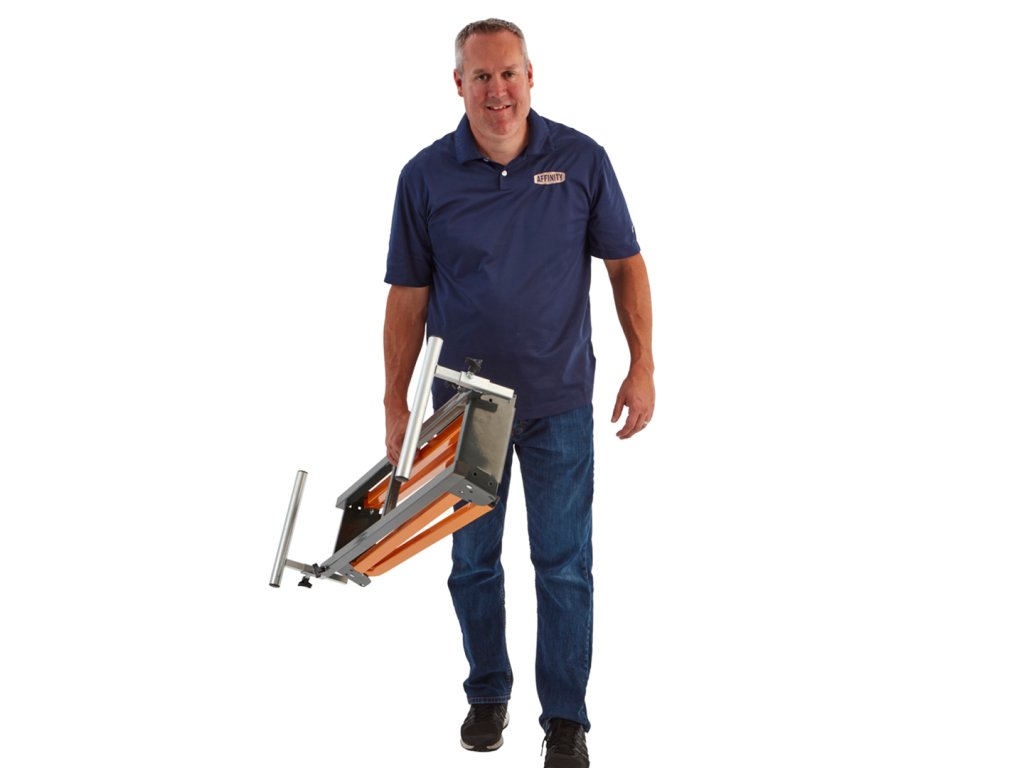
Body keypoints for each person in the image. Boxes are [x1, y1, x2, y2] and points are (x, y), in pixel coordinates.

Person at [382, 18, 654, 768]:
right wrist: (395, 403)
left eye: (508, 74)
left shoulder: (581, 159)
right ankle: (487, 694)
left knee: (564, 564)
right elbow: (407, 296)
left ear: (531, 77)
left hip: (559, 399)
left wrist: (643, 364)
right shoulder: (425, 176)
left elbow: (626, 264)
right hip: (464, 410)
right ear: (459, 84)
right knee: (473, 562)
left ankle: (565, 720)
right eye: (481, 76)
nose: (496, 90)